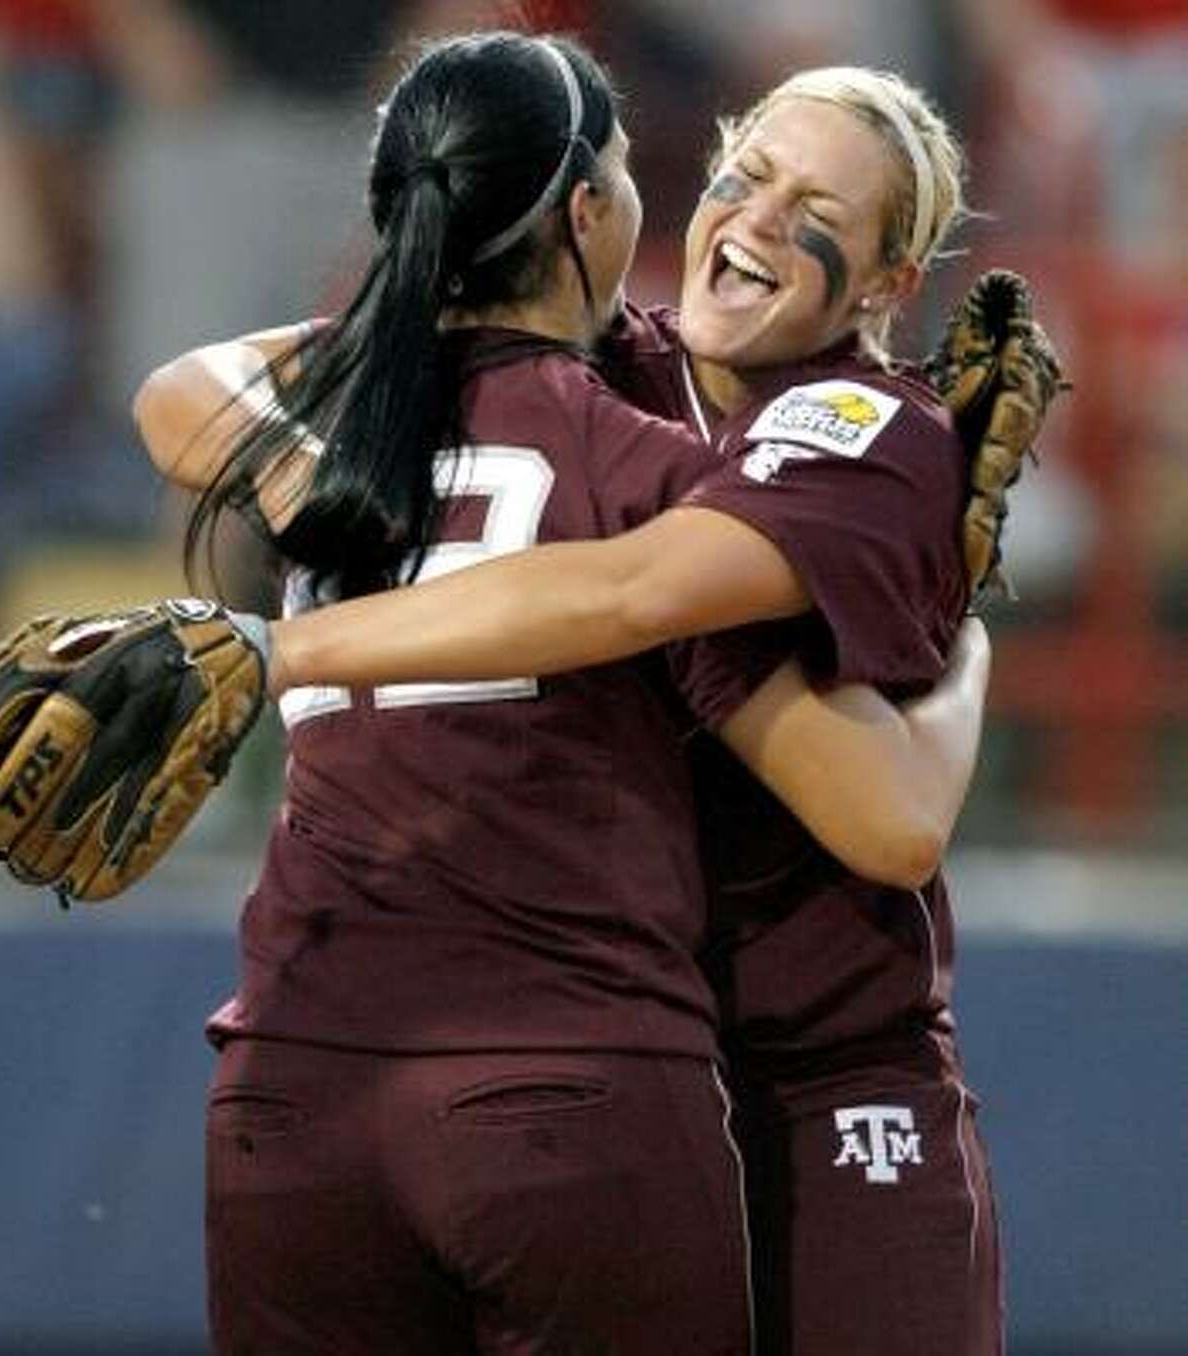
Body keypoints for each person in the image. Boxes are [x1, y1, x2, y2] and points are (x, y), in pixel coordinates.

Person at [134, 32, 998, 1355]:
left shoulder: (869, 431)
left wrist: (965, 668)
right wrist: (317, 482)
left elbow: (879, 811)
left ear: (890, 278)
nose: (756, 218)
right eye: (746, 173)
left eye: (815, 214)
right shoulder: (604, 366)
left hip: (819, 1064)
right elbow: (190, 383)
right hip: (613, 1049)